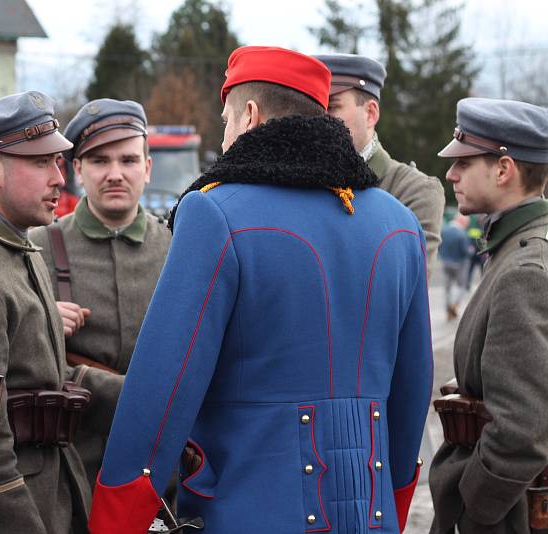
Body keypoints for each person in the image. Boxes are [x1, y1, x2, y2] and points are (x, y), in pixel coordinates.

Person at [88, 46, 433, 534]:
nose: (225, 134)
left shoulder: (215, 212)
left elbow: (161, 389)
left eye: (226, 119)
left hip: (245, 513)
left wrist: (116, 519)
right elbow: (413, 394)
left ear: (248, 115)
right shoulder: (400, 225)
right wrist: (393, 506)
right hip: (369, 518)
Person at [0, 91, 123, 534]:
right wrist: (20, 519)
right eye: (42, 162)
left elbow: (50, 377)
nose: (59, 178)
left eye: (59, 163)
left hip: (55, 480)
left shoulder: (21, 250)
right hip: (17, 498)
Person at [29, 98, 171, 487]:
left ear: (147, 167)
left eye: (127, 160)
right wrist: (41, 323)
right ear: (76, 169)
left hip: (159, 475)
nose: (114, 174)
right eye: (99, 161)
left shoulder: (179, 248)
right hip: (70, 475)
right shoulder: (37, 247)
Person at [429, 98, 548, 534]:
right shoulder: (515, 253)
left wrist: (470, 509)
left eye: (463, 162)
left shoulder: (525, 271)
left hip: (501, 517)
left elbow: (521, 431)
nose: (451, 174)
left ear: (503, 170)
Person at [315, 53, 445, 277]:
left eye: (331, 107)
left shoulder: (414, 190)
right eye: (314, 109)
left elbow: (406, 283)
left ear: (370, 114)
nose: (319, 119)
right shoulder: (301, 183)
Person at [439, 213, 472, 320]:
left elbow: (439, 245)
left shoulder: (444, 230)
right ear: (462, 222)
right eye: (467, 223)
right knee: (461, 286)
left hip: (445, 262)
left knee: (447, 287)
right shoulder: (462, 234)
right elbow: (465, 251)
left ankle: (448, 307)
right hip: (459, 264)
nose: (467, 225)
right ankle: (455, 305)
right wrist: (471, 251)